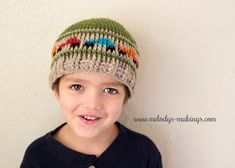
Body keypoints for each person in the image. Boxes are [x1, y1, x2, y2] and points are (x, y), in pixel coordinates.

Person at [20, 18, 162, 168]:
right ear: (57, 92)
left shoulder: (144, 153)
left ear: (125, 98)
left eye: (110, 90)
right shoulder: (38, 156)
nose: (92, 103)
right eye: (76, 86)